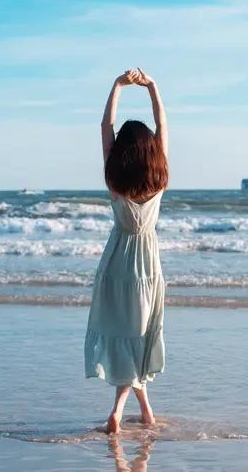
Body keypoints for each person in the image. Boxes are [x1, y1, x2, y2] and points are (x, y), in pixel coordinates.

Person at [84, 68, 169, 435]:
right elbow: (162, 124)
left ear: (120, 152)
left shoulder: (113, 176)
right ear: (151, 150)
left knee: (127, 334)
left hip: (117, 260)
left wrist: (117, 85)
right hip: (147, 262)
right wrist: (152, 87)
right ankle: (121, 411)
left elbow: (105, 126)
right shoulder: (160, 174)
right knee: (137, 335)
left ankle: (141, 411)